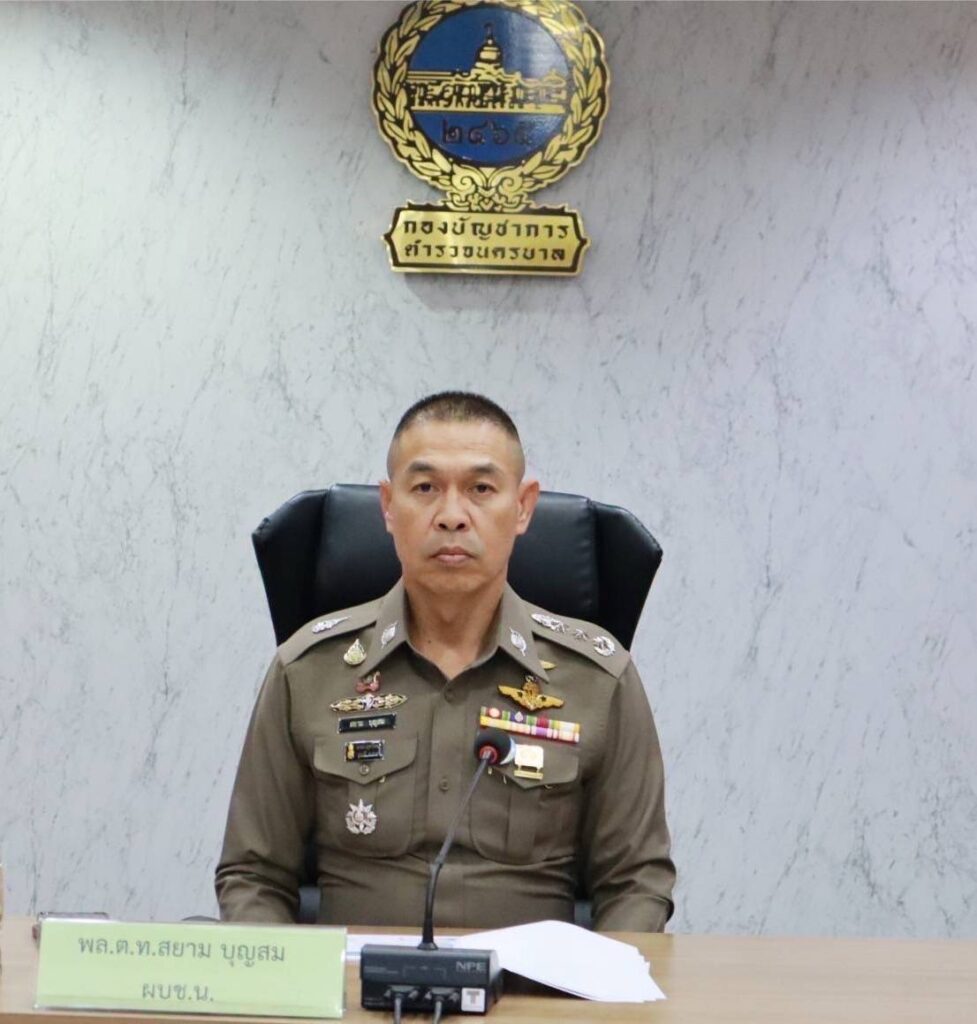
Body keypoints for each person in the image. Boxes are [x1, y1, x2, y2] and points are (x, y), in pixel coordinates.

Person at [216, 392, 675, 931]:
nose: (452, 516)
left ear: (523, 507)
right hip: (353, 982)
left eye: (481, 489)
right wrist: (289, 979)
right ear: (388, 506)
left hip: (531, 984)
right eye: (425, 488)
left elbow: (636, 882)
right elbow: (254, 875)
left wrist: (600, 982)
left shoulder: (597, 679)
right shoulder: (308, 670)